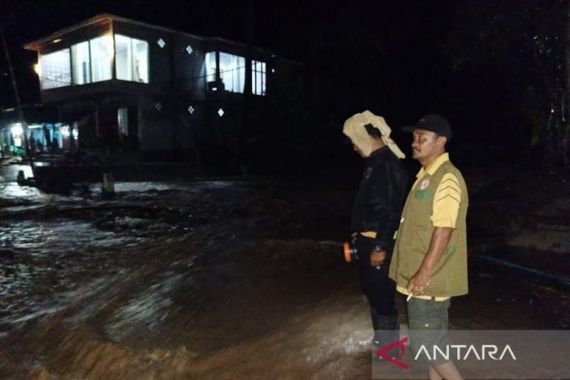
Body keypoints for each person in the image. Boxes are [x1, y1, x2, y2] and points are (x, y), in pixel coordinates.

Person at [389, 114, 468, 380]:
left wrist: (423, 273)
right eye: (414, 137)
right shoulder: (426, 175)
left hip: (429, 280)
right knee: (432, 345)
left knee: (424, 345)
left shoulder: (446, 178)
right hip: (422, 277)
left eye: (422, 138)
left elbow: (444, 229)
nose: (415, 142)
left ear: (441, 142)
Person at [343, 110, 408, 349]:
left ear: (364, 136)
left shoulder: (388, 164)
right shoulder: (376, 162)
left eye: (353, 141)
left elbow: (392, 209)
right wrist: (357, 232)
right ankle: (382, 343)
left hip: (379, 243)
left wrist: (380, 246)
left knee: (382, 296)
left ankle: (390, 352)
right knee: (372, 292)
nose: (353, 147)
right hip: (367, 240)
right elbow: (371, 204)